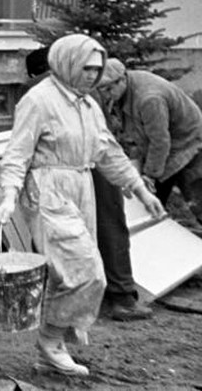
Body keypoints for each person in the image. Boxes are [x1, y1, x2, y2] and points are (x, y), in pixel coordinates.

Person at [0, 35, 163, 377]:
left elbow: (107, 151)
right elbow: (17, 152)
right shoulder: (39, 101)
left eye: (97, 70)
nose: (92, 75)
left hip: (80, 188)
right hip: (48, 191)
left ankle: (50, 351)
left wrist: (140, 189)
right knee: (87, 273)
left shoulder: (87, 104)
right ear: (67, 62)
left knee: (66, 274)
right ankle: (50, 341)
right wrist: (10, 194)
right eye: (86, 68)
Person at [25, 46, 153, 322]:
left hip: (55, 172)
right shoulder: (82, 85)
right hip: (95, 164)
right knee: (110, 227)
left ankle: (58, 298)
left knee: (55, 234)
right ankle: (121, 298)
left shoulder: (35, 91)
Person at [96, 58, 202, 280]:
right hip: (157, 149)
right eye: (101, 89)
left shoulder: (149, 98)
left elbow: (161, 142)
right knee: (147, 206)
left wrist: (149, 176)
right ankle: (152, 261)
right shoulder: (120, 91)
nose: (105, 94)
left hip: (190, 147)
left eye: (109, 88)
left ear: (122, 80)